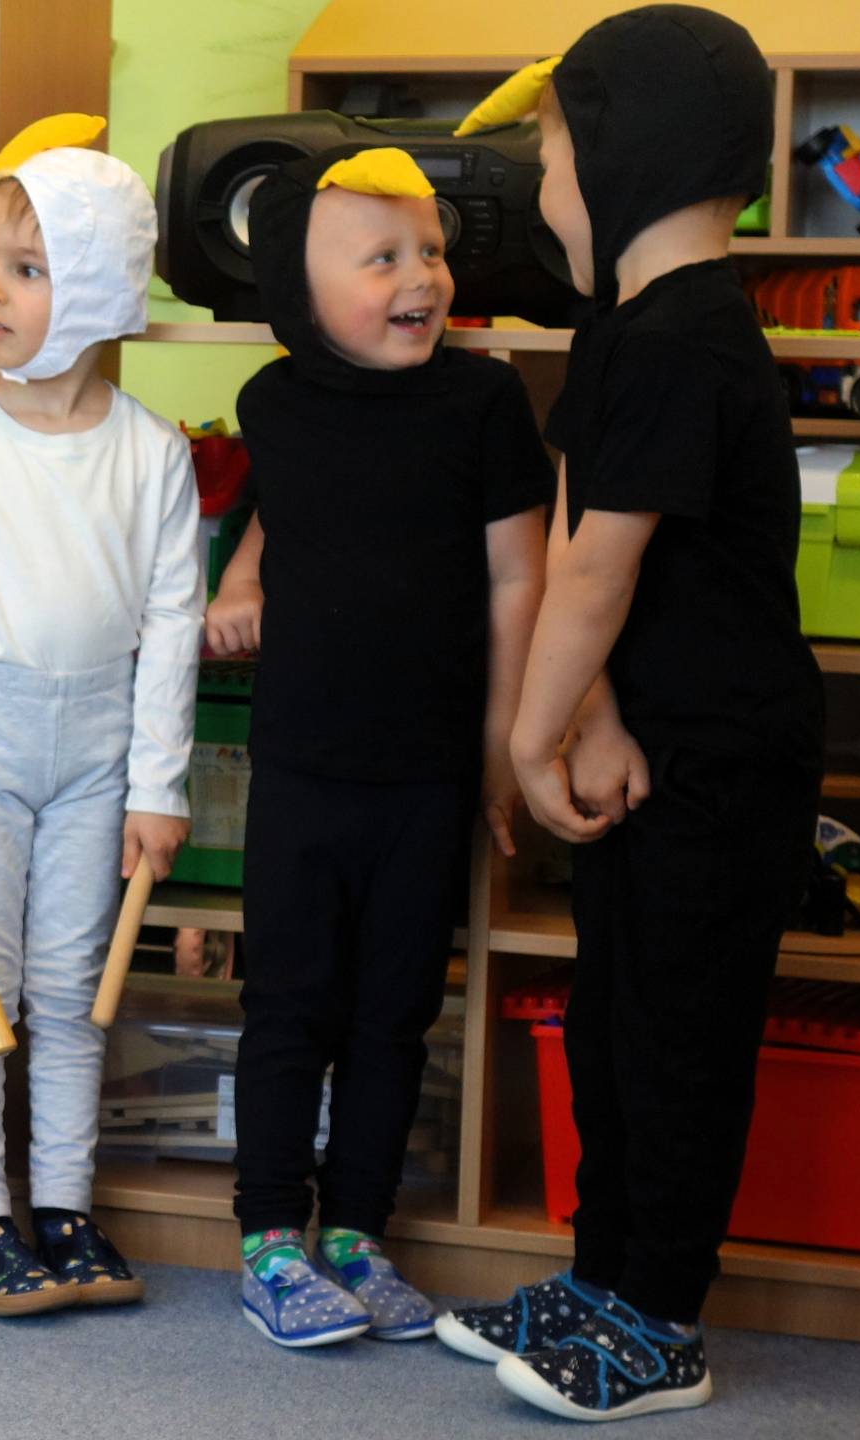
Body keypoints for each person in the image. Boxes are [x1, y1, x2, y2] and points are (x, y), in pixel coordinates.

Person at [434, 9, 823, 1421]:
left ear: (622, 151)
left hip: (719, 766)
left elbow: (601, 568)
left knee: (676, 1043)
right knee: (609, 1026)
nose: (541, 187)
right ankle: (603, 1279)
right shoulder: (622, 327)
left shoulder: (687, 338)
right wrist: (586, 715)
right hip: (646, 746)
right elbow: (578, 527)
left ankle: (662, 1321)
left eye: (549, 153)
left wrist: (528, 736)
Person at [208, 146, 549, 1347]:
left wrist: (506, 743)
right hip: (302, 765)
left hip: (426, 771)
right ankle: (269, 1239)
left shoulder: (485, 403)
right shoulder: (274, 402)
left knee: (395, 1012)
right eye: (384, 258)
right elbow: (284, 505)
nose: (422, 278)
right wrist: (241, 575)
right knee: (286, 1005)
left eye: (433, 251)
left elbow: (518, 578)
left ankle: (357, 1230)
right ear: (299, 293)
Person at [0, 113, 204, 1317]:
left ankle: (64, 1208)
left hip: (98, 755)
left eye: (27, 268)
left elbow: (171, 625)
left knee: (74, 993)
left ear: (100, 288)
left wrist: (157, 787)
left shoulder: (152, 453)